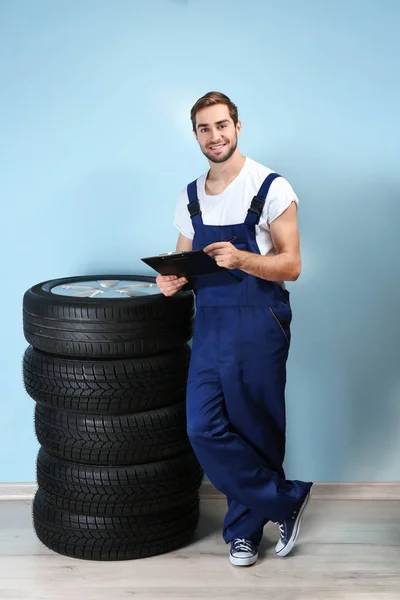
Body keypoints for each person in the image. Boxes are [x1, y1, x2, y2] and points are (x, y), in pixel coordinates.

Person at [156, 91, 313, 567]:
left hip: (258, 321)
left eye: (222, 125)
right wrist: (171, 280)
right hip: (210, 325)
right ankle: (285, 500)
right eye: (205, 129)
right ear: (196, 135)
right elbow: (184, 261)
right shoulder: (190, 196)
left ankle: (243, 533)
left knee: (256, 429)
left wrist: (244, 258)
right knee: (202, 428)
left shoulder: (271, 187)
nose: (214, 136)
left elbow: (292, 266)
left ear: (238, 127)